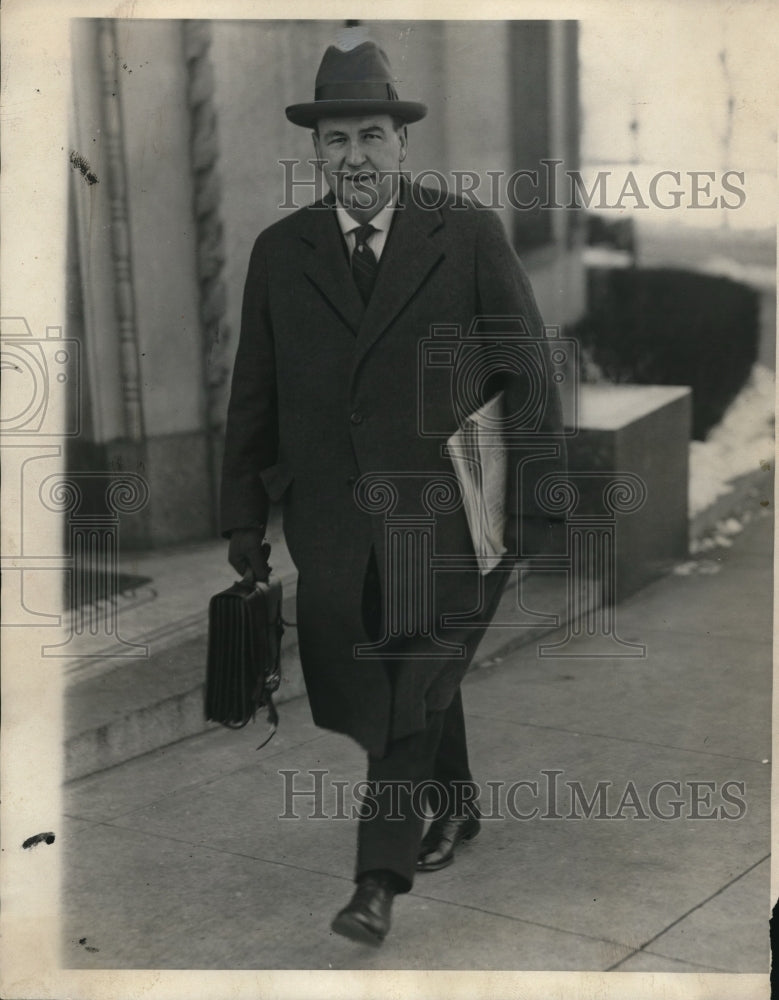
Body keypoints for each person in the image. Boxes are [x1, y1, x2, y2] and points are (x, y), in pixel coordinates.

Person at [221, 40, 565, 945]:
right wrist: (241, 520)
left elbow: (528, 372)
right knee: (406, 679)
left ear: (403, 145)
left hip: (453, 517)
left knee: (403, 688)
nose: (357, 158)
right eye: (337, 141)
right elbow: (252, 395)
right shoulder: (278, 252)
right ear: (317, 154)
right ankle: (454, 804)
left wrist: (533, 505)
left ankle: (377, 877)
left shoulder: (467, 235)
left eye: (372, 135)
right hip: (337, 527)